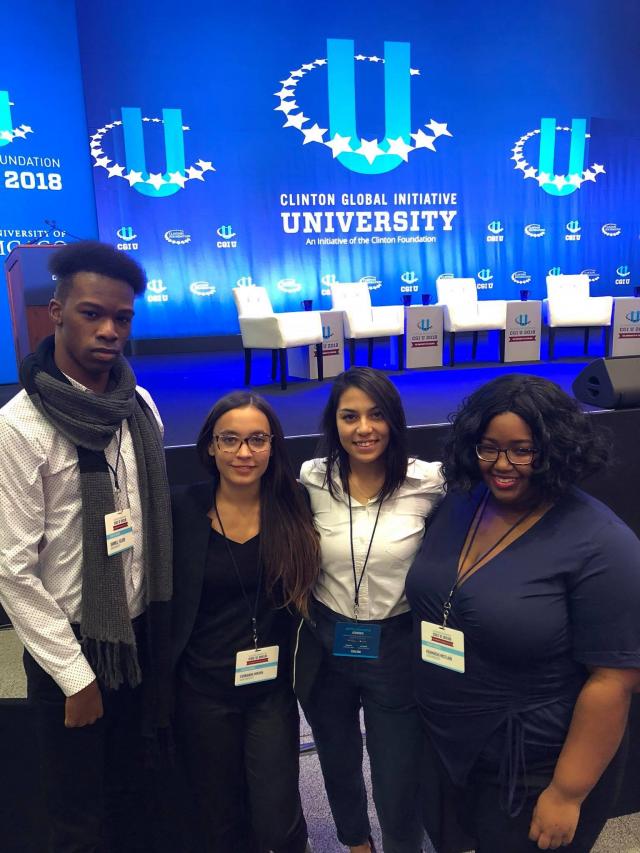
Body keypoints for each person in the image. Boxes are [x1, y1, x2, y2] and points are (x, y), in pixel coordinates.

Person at [406, 373, 640, 853]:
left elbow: (614, 681)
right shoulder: (462, 504)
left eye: (522, 450)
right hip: (446, 742)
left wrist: (567, 793)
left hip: (533, 767)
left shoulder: (601, 543)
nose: (502, 465)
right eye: (488, 448)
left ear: (555, 449)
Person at [0, 241, 172, 852]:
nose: (108, 331)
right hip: (70, 649)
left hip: (140, 635)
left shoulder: (138, 405)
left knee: (139, 794)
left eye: (121, 319)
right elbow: (12, 571)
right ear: (56, 313)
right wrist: (76, 677)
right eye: (91, 314)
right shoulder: (21, 426)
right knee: (78, 814)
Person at [296, 367, 444, 853]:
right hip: (327, 640)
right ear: (333, 423)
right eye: (350, 416)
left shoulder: (428, 482)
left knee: (397, 769)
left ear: (394, 420)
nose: (364, 428)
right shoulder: (313, 478)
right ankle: (355, 843)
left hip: (396, 644)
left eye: (377, 415)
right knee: (336, 758)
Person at [171, 391, 319, 853]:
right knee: (218, 815)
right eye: (229, 440)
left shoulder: (294, 506)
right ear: (210, 446)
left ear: (273, 446)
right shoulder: (182, 511)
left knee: (278, 818)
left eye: (257, 439)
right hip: (202, 689)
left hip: (268, 691)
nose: (243, 452)